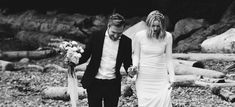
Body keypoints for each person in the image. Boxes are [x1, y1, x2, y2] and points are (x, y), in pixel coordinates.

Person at [76, 13, 132, 107]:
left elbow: (127, 63)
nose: (115, 36)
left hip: (113, 84)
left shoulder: (126, 42)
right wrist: (72, 62)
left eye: (119, 33)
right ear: (108, 26)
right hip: (94, 82)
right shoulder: (96, 36)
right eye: (113, 32)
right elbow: (85, 56)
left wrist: (131, 71)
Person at [129, 10, 175, 107]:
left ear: (162, 26)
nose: (155, 28)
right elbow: (136, 55)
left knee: (163, 102)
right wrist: (135, 66)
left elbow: (169, 59)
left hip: (160, 77)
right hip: (144, 77)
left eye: (158, 26)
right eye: (153, 26)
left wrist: (172, 77)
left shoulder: (168, 37)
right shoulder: (139, 36)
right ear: (148, 24)